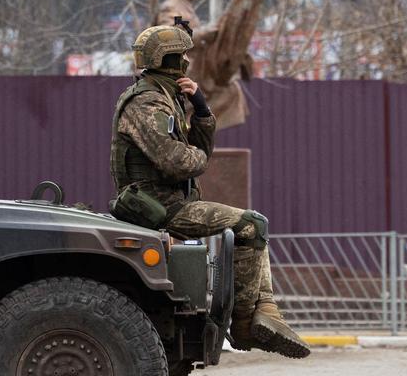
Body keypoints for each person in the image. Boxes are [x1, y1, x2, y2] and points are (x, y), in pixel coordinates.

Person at [110, 20, 310, 358]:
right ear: (170, 59)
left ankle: (264, 312)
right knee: (251, 225)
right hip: (156, 204)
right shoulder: (146, 103)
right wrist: (199, 158)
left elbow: (192, 148)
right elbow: (176, 160)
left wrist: (201, 109)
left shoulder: (165, 95)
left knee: (253, 226)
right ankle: (247, 324)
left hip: (172, 200)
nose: (188, 61)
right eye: (183, 54)